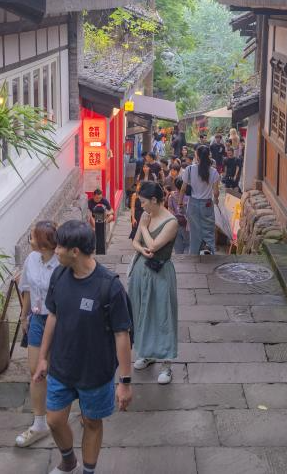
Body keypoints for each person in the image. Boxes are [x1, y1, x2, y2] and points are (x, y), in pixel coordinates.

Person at [33, 220, 133, 474]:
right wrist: (43, 357)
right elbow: (53, 315)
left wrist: (124, 382)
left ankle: (88, 470)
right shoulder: (59, 275)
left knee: (91, 422)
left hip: (95, 372)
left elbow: (122, 335)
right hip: (62, 366)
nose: (56, 251)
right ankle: (69, 462)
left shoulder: (109, 286)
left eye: (60, 247)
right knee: (54, 420)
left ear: (75, 251)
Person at [15, 221, 61, 448]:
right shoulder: (31, 259)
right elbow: (27, 290)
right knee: (35, 371)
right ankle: (40, 423)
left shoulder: (61, 264)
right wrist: (24, 317)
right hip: (37, 320)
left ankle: (80, 411)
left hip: (59, 321)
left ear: (43, 245)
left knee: (63, 371)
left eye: (32, 238)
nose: (29, 240)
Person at [128, 182, 180, 385]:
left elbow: (154, 245)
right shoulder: (146, 215)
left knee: (163, 315)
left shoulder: (171, 222)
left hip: (161, 274)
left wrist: (143, 227)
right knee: (142, 312)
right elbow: (136, 242)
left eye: (143, 202)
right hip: (142, 270)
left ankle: (167, 365)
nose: (141, 206)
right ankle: (147, 353)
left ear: (154, 200)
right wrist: (141, 250)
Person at [184, 144, 221, 255]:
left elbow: (183, 189)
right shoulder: (214, 172)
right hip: (207, 203)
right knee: (209, 231)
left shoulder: (189, 169)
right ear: (209, 155)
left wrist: (180, 203)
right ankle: (210, 252)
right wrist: (216, 199)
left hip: (193, 203)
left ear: (197, 156)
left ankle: (194, 255)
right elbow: (216, 192)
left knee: (194, 232)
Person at [86, 189, 113, 256]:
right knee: (91, 218)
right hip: (94, 218)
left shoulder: (104, 200)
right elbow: (89, 213)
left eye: (100, 198)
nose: (99, 199)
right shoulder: (90, 202)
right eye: (97, 198)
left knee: (111, 216)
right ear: (93, 196)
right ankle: (97, 228)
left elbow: (112, 210)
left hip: (103, 217)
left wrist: (108, 213)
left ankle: (102, 226)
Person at [167, 177, 190, 254]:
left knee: (178, 247)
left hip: (176, 223)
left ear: (175, 186)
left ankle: (179, 260)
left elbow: (170, 210)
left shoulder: (171, 196)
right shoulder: (189, 197)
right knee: (188, 244)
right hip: (187, 223)